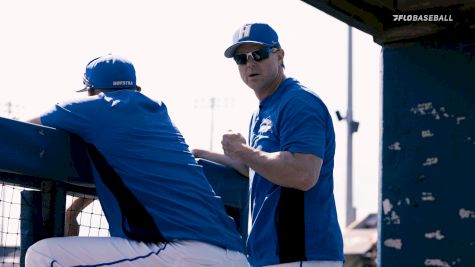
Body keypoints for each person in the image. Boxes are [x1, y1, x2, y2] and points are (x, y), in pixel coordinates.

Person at [25, 54, 249, 267]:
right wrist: (74, 209)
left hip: (182, 253)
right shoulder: (159, 114)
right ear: (136, 89)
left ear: (90, 90)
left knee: (43, 255)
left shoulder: (90, 108)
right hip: (237, 255)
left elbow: (20, 128)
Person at [192, 23, 344, 267]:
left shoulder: (299, 102)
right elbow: (256, 168)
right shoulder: (261, 111)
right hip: (270, 255)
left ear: (279, 55)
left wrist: (243, 150)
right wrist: (203, 154)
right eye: (241, 59)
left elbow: (304, 174)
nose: (250, 64)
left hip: (302, 254)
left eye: (259, 55)